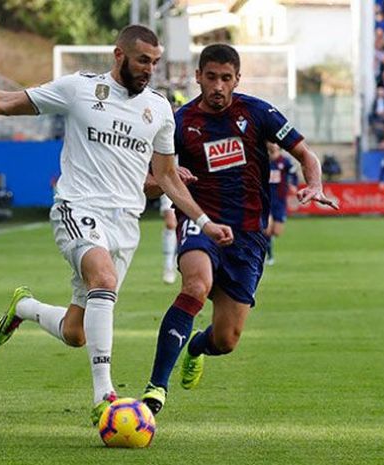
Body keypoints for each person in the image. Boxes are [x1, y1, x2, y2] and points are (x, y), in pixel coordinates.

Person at [0, 24, 231, 424]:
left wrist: (202, 219)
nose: (149, 69)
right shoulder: (79, 88)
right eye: (143, 60)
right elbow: (10, 101)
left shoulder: (160, 109)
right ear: (119, 56)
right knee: (104, 280)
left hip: (125, 224)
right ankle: (104, 396)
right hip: (76, 208)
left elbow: (165, 176)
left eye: (155, 62)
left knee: (77, 333)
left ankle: (23, 307)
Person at [139, 44, 337, 415]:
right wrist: (164, 179)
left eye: (225, 78)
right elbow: (149, 181)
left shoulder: (257, 112)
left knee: (227, 339)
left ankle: (196, 347)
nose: (217, 86)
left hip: (247, 236)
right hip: (202, 222)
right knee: (196, 285)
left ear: (237, 80)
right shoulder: (179, 123)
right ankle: (156, 388)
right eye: (210, 77)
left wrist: (315, 184)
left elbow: (306, 154)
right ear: (198, 76)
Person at [264, 142, 298, 265]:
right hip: (266, 200)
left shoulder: (285, 161)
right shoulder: (263, 160)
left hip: (280, 200)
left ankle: (269, 241)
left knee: (276, 232)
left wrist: (293, 184)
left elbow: (293, 173)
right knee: (266, 229)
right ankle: (269, 256)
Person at [160, 194, 178, 284]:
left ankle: (176, 261)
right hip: (170, 183)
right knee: (170, 223)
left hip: (190, 186)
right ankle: (168, 266)